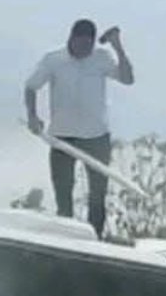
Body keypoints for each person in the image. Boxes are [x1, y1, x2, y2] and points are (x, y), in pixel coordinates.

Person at [24, 19, 135, 238]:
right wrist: (32, 116)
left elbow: (128, 79)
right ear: (71, 39)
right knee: (63, 192)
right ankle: (66, 238)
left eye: (88, 46)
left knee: (97, 195)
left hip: (96, 137)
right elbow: (31, 86)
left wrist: (118, 46)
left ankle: (95, 239)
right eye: (79, 44)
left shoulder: (102, 57)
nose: (83, 50)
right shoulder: (53, 59)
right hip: (62, 137)